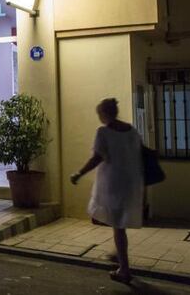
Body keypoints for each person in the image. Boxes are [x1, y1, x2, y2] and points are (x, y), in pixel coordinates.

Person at [70, 98, 144, 285]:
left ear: (104, 114)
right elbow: (139, 153)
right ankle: (118, 254)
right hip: (131, 182)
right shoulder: (132, 130)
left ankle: (124, 270)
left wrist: (79, 173)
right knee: (120, 224)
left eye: (100, 114)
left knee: (118, 226)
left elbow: (97, 157)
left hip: (113, 184)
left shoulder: (103, 132)